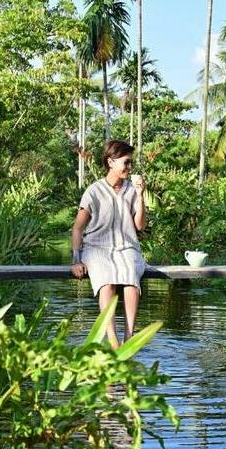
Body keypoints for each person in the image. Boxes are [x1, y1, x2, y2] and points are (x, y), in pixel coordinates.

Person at [71, 140, 147, 349]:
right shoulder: (94, 191)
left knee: (131, 275)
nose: (130, 168)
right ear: (111, 162)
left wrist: (140, 197)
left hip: (127, 246)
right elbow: (77, 228)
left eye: (131, 163)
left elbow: (139, 226)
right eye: (127, 162)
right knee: (106, 279)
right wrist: (76, 260)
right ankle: (112, 340)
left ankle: (129, 337)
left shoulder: (132, 190)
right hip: (97, 247)